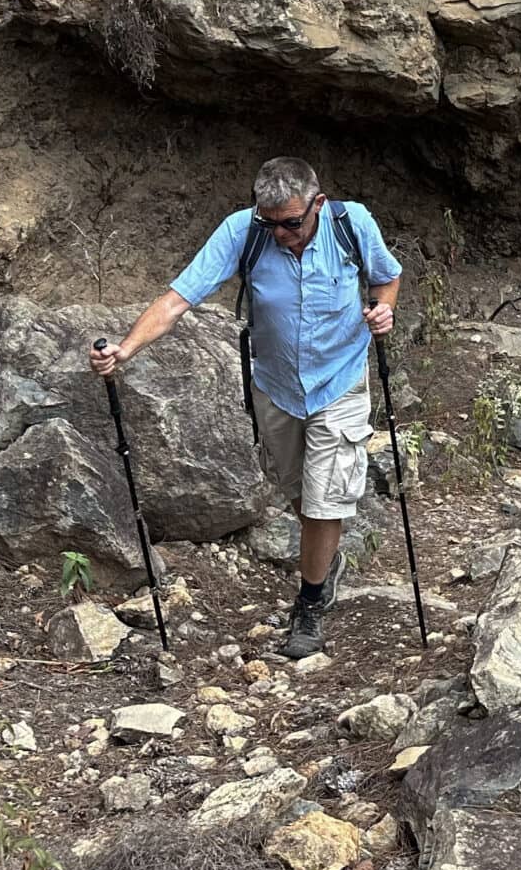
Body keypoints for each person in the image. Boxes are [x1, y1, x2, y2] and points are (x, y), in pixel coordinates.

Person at [91, 157, 402, 659]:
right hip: (275, 387)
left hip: (339, 381)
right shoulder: (244, 230)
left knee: (324, 501)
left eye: (291, 223)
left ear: (318, 205)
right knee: (301, 496)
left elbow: (387, 277)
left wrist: (383, 308)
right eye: (271, 222)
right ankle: (327, 562)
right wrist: (124, 351)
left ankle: (310, 602)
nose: (280, 233)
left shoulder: (352, 223)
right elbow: (176, 301)